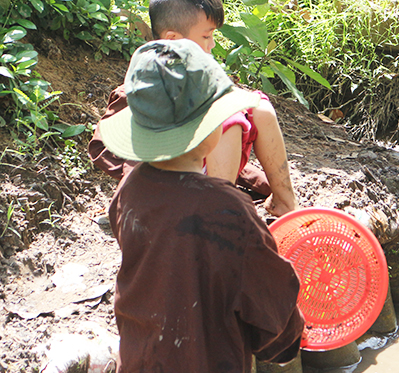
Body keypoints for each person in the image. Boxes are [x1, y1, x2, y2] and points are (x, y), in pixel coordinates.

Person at [102, 39, 304, 373]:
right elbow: (275, 323)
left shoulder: (129, 190)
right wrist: (290, 337)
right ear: (211, 127)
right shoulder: (229, 211)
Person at [88, 0, 299, 217]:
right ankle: (218, 215)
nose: (212, 44)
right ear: (173, 39)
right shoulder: (151, 82)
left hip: (205, 165)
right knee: (227, 117)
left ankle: (285, 202)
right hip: (175, 184)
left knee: (260, 106)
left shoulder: (196, 72)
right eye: (206, 36)